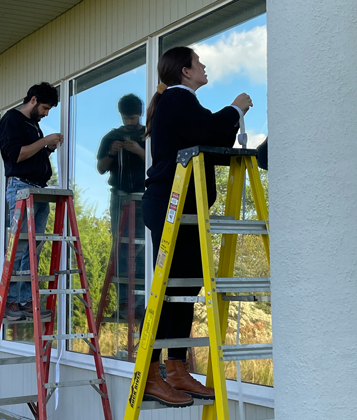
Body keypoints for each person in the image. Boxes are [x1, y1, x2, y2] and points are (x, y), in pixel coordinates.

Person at [140, 46, 252, 407]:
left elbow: (210, 141)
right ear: (185, 72)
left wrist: (229, 124)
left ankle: (175, 367)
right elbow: (209, 132)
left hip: (185, 207)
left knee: (185, 288)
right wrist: (236, 108)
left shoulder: (181, 103)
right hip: (171, 207)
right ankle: (151, 376)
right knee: (169, 287)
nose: (204, 67)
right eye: (198, 63)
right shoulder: (177, 100)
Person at [0, 82, 63, 321]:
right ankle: (10, 301)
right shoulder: (12, 120)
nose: (46, 113)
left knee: (33, 249)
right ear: (33, 100)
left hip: (37, 189)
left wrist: (47, 149)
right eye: (45, 108)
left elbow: (32, 156)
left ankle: (24, 299)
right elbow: (16, 155)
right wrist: (44, 141)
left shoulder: (34, 126)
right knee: (18, 246)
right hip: (21, 187)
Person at [95, 94, 147, 321]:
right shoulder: (112, 137)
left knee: (145, 247)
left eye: (132, 118)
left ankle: (142, 303)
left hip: (144, 196)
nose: (129, 122)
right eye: (126, 118)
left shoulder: (148, 135)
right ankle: (125, 303)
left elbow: (159, 164)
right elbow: (100, 168)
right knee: (121, 247)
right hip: (119, 197)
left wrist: (138, 150)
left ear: (140, 114)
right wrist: (111, 153)